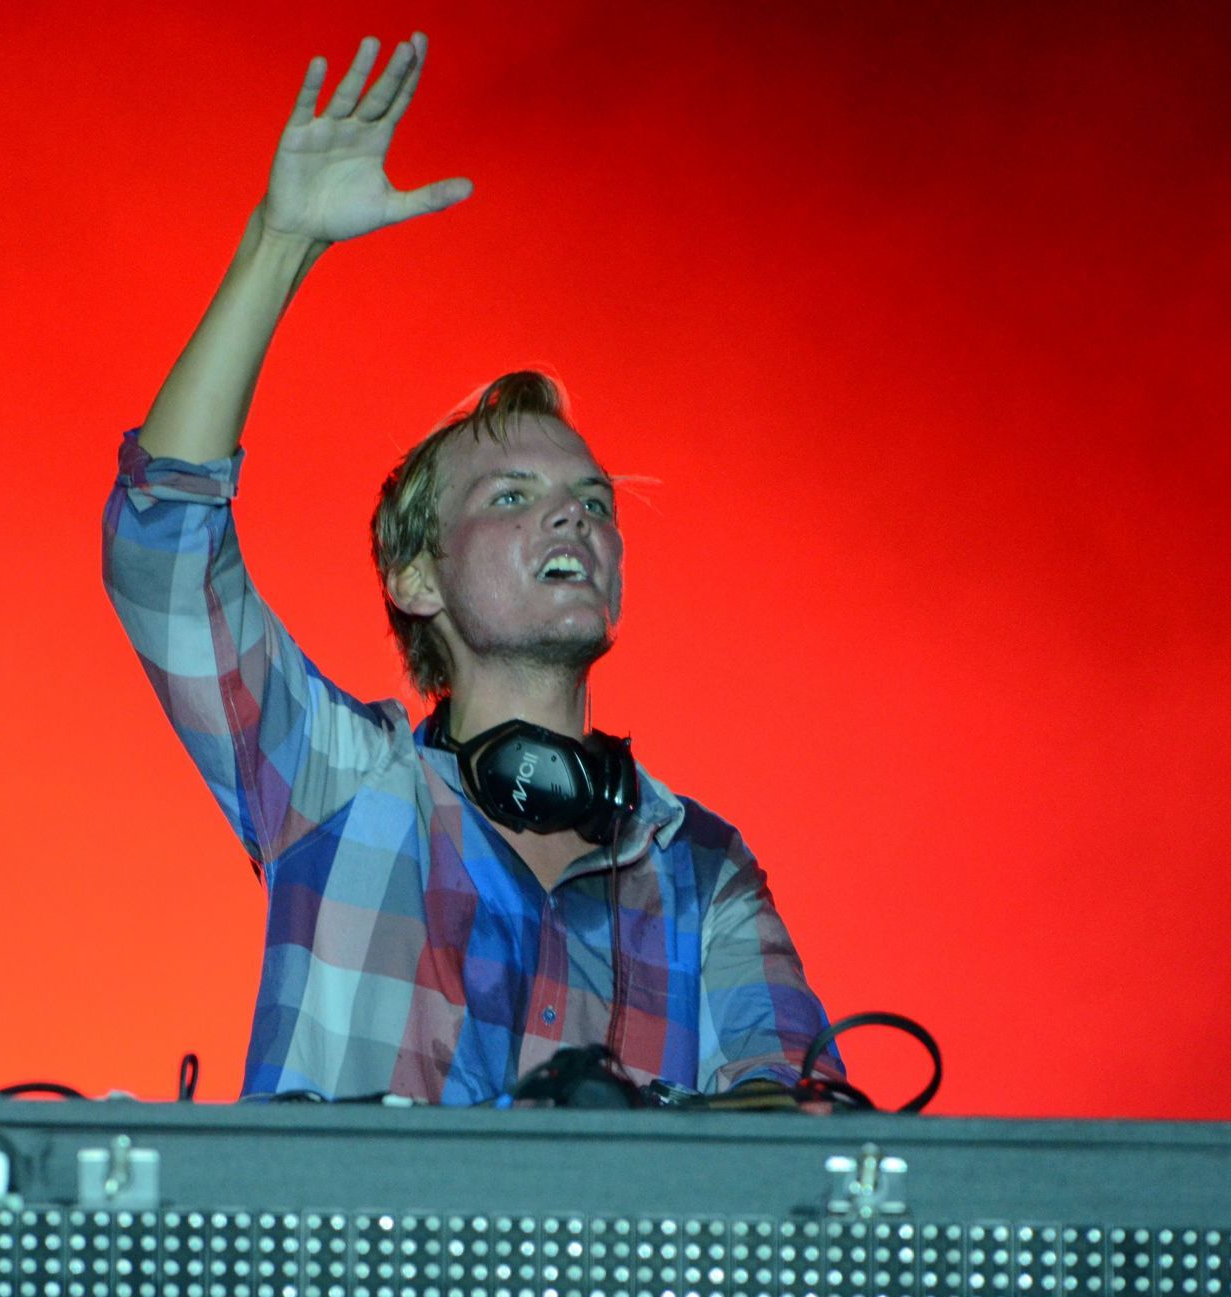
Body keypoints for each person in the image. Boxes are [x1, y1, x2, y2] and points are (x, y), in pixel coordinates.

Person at [101, 33, 842, 1104]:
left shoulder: (699, 868)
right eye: (512, 498)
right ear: (417, 579)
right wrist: (281, 241)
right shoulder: (338, 783)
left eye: (592, 504)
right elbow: (160, 547)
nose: (573, 520)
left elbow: (798, 1118)